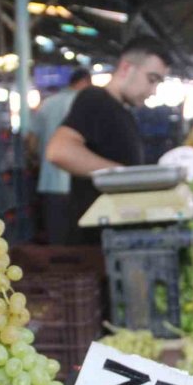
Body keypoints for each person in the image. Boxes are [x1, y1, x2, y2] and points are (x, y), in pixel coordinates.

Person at [46, 36, 170, 244]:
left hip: (117, 240)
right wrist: (124, 176)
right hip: (96, 244)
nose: (153, 90)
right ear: (126, 68)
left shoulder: (125, 113)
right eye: (151, 79)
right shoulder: (94, 99)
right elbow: (59, 150)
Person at [32, 68, 92, 244]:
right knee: (79, 240)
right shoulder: (85, 104)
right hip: (79, 182)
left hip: (50, 182)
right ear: (85, 82)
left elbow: (31, 140)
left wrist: (37, 159)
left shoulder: (47, 103)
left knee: (56, 236)